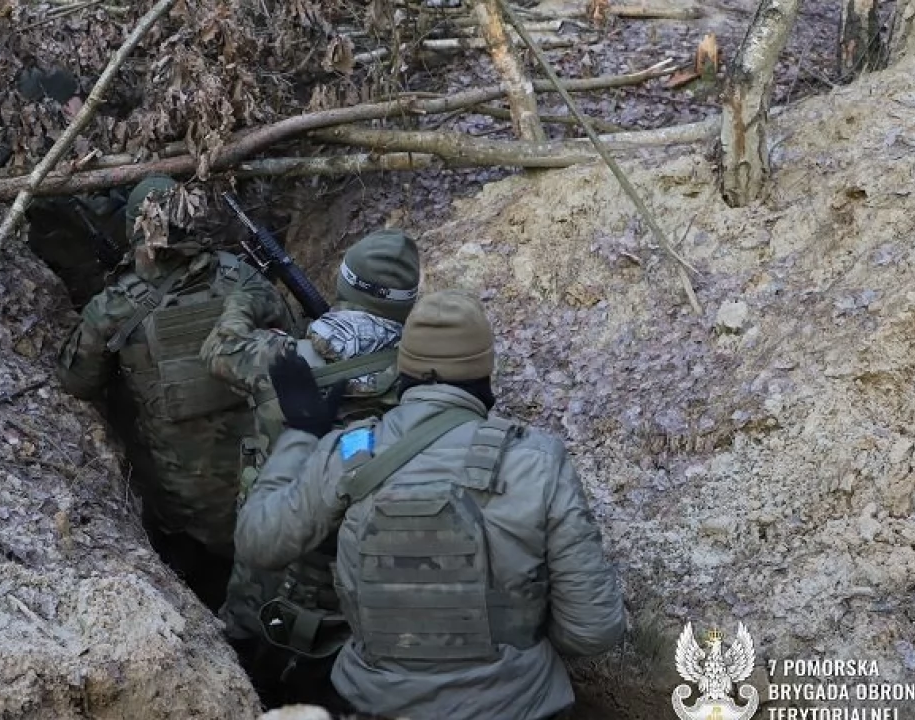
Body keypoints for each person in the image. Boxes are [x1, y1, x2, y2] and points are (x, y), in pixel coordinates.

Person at [237, 289, 627, 719]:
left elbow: (258, 541)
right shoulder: (536, 461)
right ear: (484, 371)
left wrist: (301, 433)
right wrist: (517, 634)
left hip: (372, 703)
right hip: (517, 707)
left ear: (403, 368)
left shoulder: (350, 450)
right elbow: (593, 629)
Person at [200, 229, 422, 707]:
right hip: (354, 575)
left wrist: (247, 299)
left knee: (240, 663)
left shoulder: (281, 358)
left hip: (267, 554)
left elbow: (219, 349)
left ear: (343, 283)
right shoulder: (422, 381)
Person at [55, 175, 293, 610]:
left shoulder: (115, 306)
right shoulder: (242, 278)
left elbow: (78, 382)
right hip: (266, 477)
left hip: (182, 504)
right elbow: (290, 340)